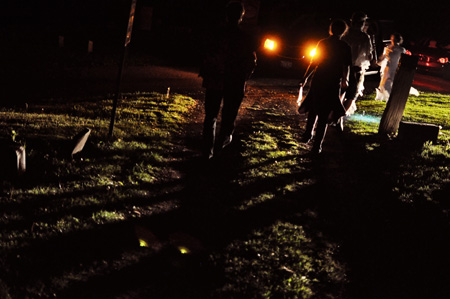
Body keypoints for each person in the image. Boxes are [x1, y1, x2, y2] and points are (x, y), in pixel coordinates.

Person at [198, 1, 257, 160]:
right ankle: (220, 146)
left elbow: (205, 55)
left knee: (210, 116)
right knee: (228, 117)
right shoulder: (244, 38)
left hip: (215, 81)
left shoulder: (216, 35)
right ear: (241, 17)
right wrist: (244, 77)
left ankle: (207, 151)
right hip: (234, 83)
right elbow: (251, 62)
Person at [299, 19, 352, 155]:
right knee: (324, 113)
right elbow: (346, 66)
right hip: (332, 81)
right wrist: (345, 80)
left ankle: (308, 133)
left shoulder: (323, 43)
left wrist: (305, 77)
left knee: (313, 108)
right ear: (343, 32)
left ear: (331, 29)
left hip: (320, 79)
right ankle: (317, 145)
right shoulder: (345, 46)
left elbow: (314, 62)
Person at [341, 11, 374, 115]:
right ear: (362, 23)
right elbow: (370, 55)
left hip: (342, 67)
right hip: (356, 69)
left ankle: (336, 113)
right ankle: (340, 115)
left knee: (341, 92)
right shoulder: (365, 37)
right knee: (352, 94)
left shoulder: (345, 35)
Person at [375, 33, 406, 101]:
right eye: (392, 39)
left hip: (396, 68)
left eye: (394, 39)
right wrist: (377, 62)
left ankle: (392, 98)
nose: (393, 40)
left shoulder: (401, 49)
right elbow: (383, 57)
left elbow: (403, 59)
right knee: (386, 84)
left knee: (393, 83)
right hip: (388, 68)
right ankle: (389, 98)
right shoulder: (387, 48)